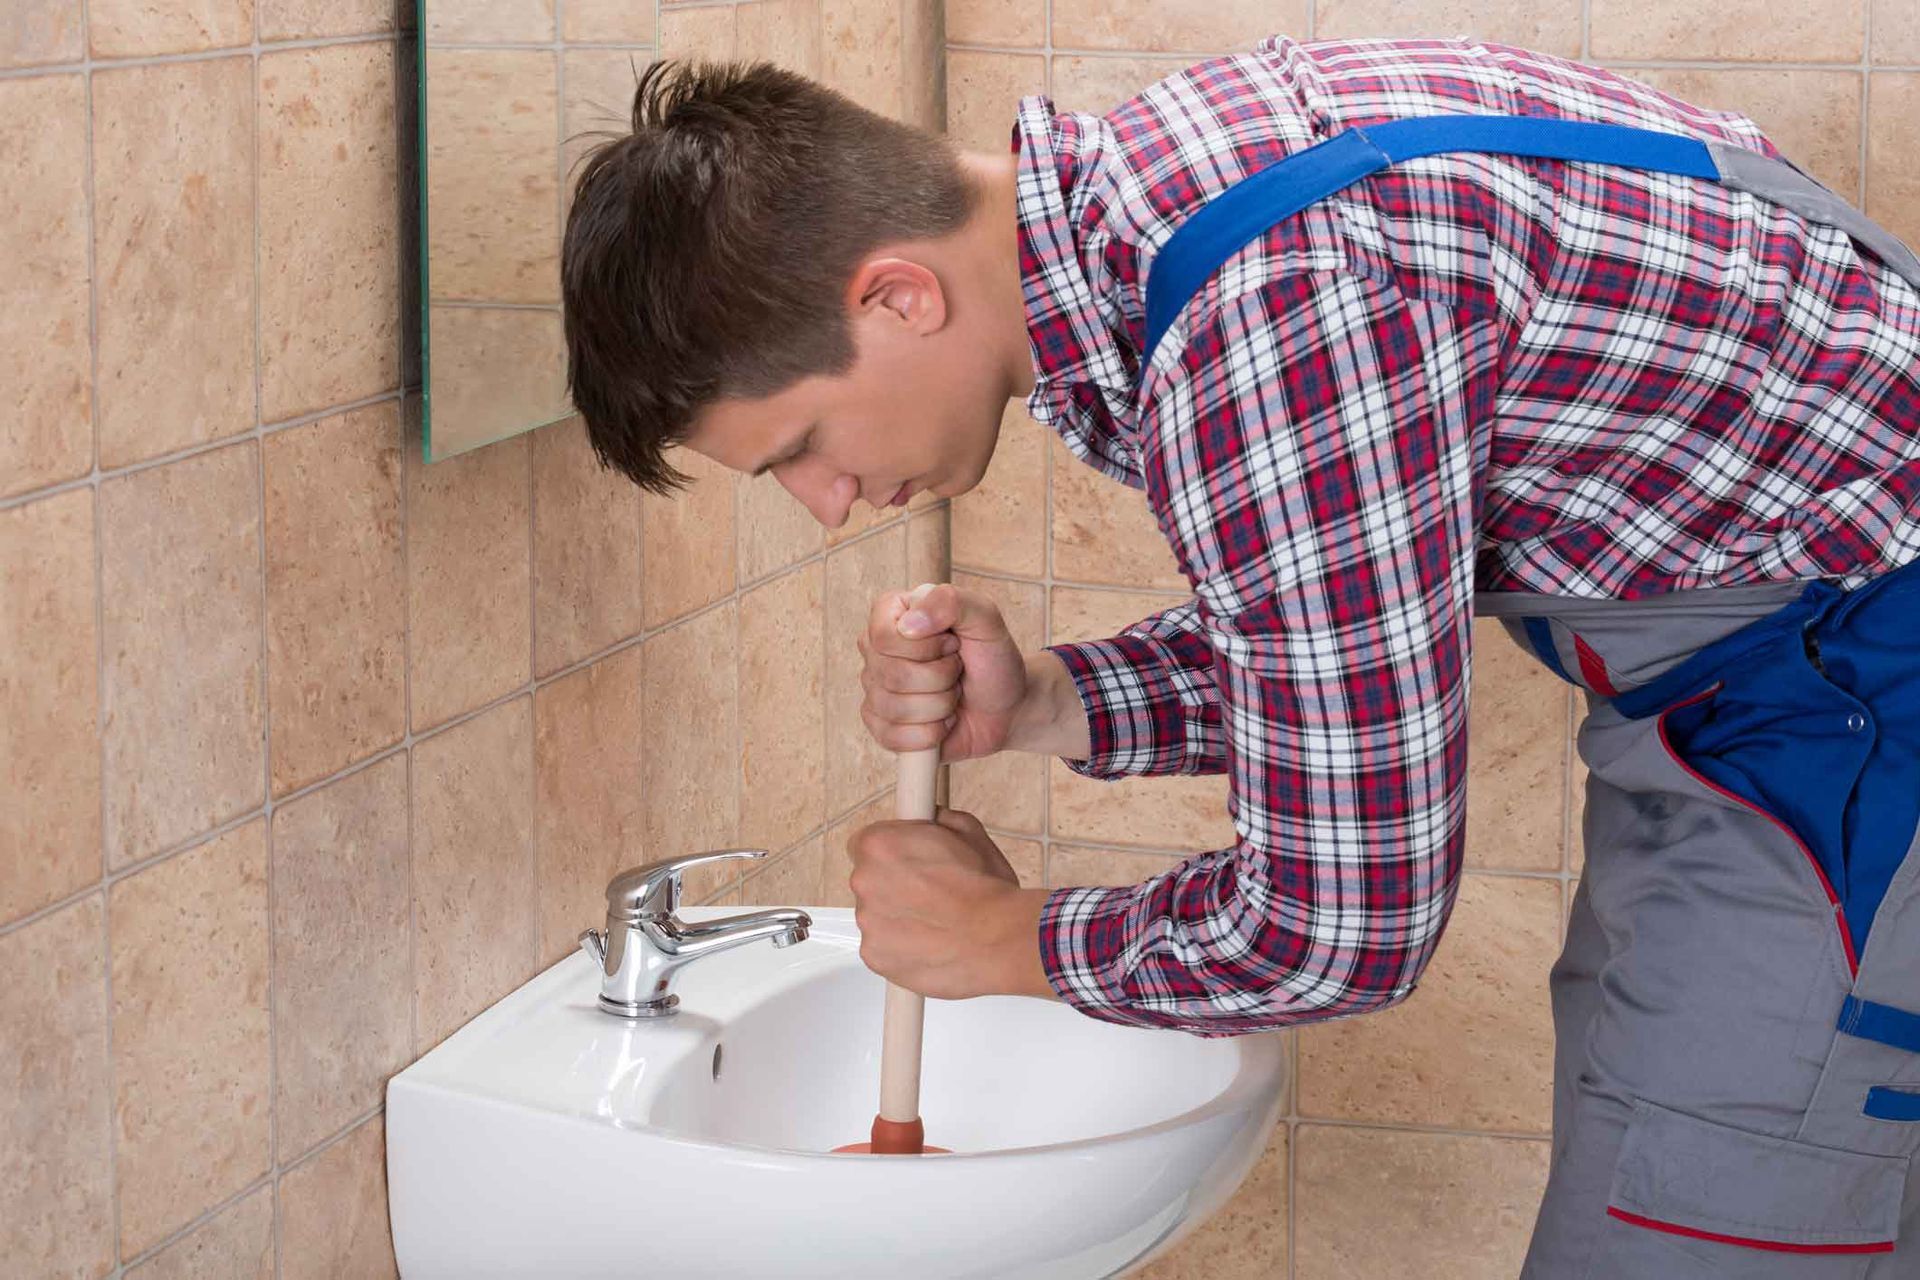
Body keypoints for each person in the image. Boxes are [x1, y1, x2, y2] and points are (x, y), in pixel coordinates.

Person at [560, 35, 1920, 1276]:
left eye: (798, 447)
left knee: (1690, 1220)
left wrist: (1012, 940)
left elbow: (1349, 925)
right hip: (1771, 685)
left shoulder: (1270, 308)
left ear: (899, 295)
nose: (829, 501)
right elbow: (1348, 637)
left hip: (1854, 715)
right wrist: (1049, 700)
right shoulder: (1195, 181)